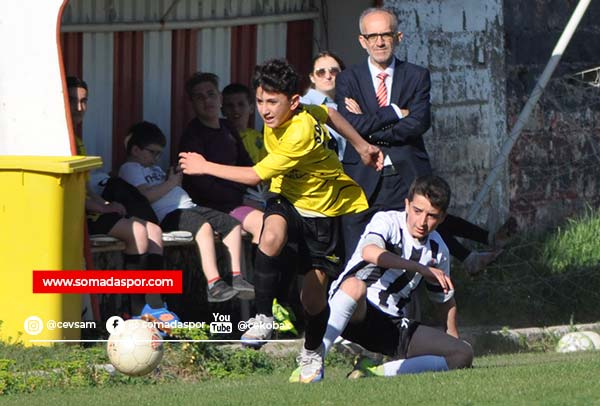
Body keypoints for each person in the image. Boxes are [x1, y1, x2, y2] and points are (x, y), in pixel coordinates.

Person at [179, 59, 383, 383]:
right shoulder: (296, 113)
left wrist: (205, 166)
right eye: (260, 101)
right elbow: (329, 113)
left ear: (294, 102)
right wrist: (362, 145)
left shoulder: (299, 131)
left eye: (272, 102)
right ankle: (262, 317)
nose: (264, 110)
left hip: (322, 213)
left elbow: (253, 175)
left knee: (312, 300)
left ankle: (313, 352)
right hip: (286, 197)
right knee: (268, 233)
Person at [334, 8, 506, 274]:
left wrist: (370, 129)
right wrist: (393, 113)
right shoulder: (348, 78)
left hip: (407, 174)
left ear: (398, 37)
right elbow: (349, 124)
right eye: (373, 36)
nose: (379, 42)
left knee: (420, 247)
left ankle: (425, 298)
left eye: (386, 35)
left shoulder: (415, 75)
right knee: (358, 256)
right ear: (362, 41)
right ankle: (361, 311)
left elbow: (418, 123)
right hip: (363, 175)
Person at [319, 175, 473, 380]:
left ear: (443, 217)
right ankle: (314, 361)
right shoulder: (387, 221)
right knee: (355, 286)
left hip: (390, 325)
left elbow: (444, 300)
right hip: (352, 311)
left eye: (432, 215)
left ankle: (376, 373)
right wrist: (419, 268)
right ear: (407, 205)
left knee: (463, 353)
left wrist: (453, 336)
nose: (422, 222)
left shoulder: (439, 250)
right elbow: (370, 252)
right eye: (417, 211)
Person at [67, 76, 170, 317]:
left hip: (89, 207)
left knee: (153, 230)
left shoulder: (78, 141)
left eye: (84, 101)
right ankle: (135, 312)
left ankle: (156, 306)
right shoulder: (57, 141)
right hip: (73, 216)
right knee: (136, 232)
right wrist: (100, 207)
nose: (79, 108)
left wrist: (103, 203)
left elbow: (84, 187)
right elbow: (65, 194)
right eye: (73, 100)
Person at [118, 121, 255, 302]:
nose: (156, 158)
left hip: (189, 207)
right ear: (135, 150)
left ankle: (236, 277)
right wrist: (171, 183)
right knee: (203, 227)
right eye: (153, 152)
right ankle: (214, 284)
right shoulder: (130, 168)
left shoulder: (155, 169)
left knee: (231, 224)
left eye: (159, 153)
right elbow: (146, 196)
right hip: (168, 214)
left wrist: (174, 179)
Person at [179, 73, 263, 244]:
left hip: (241, 199)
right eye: (199, 97)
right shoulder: (192, 136)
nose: (207, 101)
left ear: (220, 98)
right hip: (213, 207)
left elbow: (246, 164)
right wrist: (240, 198)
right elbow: (202, 186)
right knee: (262, 224)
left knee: (280, 221)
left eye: (211, 94)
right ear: (193, 103)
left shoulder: (227, 127)